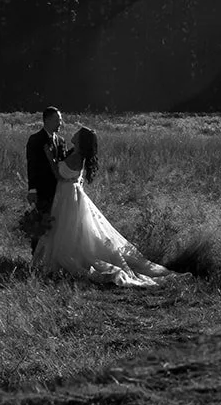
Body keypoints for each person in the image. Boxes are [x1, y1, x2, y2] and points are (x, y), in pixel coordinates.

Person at [33, 126, 178, 288]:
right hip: (68, 194)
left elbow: (59, 174)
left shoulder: (76, 157)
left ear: (81, 140)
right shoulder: (75, 154)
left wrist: (49, 156)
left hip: (68, 196)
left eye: (77, 133)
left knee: (68, 229)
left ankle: (68, 262)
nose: (74, 134)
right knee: (73, 230)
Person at [25, 106, 66, 219]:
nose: (60, 123)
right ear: (47, 120)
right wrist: (32, 189)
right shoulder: (35, 140)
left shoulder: (61, 141)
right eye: (57, 120)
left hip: (59, 189)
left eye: (61, 120)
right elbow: (32, 165)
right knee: (43, 221)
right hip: (42, 190)